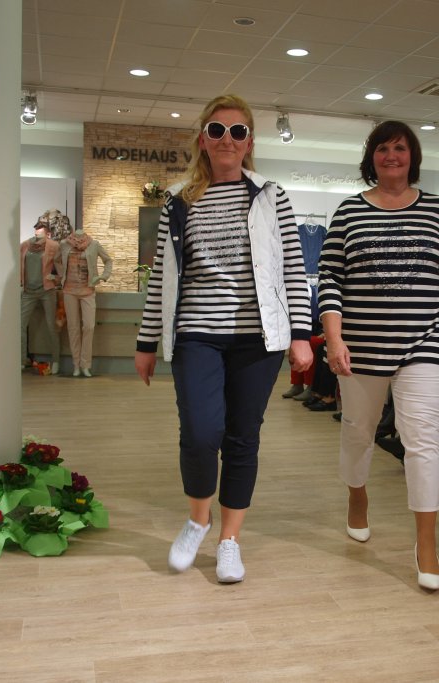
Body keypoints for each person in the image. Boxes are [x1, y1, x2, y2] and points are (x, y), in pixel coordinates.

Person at [134, 94, 313, 583]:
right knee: (199, 432)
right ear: (203, 140)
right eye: (217, 130)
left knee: (241, 437)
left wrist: (301, 334)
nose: (227, 139)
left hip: (259, 339)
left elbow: (293, 270)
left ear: (249, 142)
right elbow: (162, 278)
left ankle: (229, 540)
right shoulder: (179, 200)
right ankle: (198, 520)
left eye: (237, 131)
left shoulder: (270, 196)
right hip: (197, 334)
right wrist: (147, 343)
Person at [318, 120, 439, 591]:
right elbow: (330, 278)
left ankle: (426, 544)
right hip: (361, 346)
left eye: (400, 147)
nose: (391, 155)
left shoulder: (436, 209)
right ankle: (357, 496)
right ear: (371, 157)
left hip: (424, 343)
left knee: (423, 439)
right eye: (382, 148)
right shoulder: (349, 211)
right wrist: (334, 339)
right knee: (358, 431)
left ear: (412, 156)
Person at [56, 229, 112, 377]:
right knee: (73, 328)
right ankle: (76, 365)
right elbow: (56, 260)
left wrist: (103, 276)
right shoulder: (64, 244)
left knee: (89, 326)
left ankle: (85, 364)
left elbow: (108, 260)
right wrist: (62, 275)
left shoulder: (94, 244)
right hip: (69, 291)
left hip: (88, 290)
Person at [20, 221, 61, 374]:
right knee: (20, 326)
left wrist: (56, 279)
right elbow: (19, 265)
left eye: (41, 230)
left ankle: (56, 360)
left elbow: (61, 267)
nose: (38, 232)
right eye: (36, 230)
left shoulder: (53, 246)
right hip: (28, 291)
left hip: (46, 290)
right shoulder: (25, 245)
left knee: (52, 326)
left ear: (48, 233)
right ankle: (22, 360)